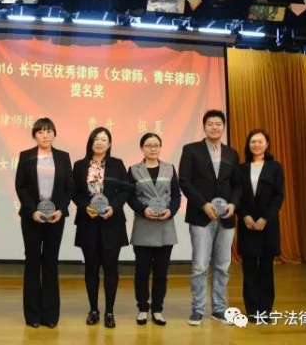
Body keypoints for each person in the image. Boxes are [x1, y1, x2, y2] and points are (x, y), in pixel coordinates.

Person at [179, 110, 241, 326]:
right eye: (210, 124)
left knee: (222, 265)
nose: (214, 127)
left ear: (223, 127)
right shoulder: (191, 150)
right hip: (200, 215)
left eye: (218, 124)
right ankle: (197, 310)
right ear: (204, 126)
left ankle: (218, 309)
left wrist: (233, 204)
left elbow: (237, 185)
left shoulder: (232, 153)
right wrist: (203, 204)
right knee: (200, 265)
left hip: (226, 218)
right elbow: (184, 181)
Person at [15, 117, 74, 328]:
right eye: (40, 131)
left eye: (49, 131)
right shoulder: (26, 156)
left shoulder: (63, 157)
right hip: (32, 218)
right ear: (35, 135)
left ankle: (50, 315)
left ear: (54, 134)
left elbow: (69, 187)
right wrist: (32, 210)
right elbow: (20, 186)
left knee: (50, 263)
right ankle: (32, 315)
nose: (45, 135)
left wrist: (61, 210)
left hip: (55, 218)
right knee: (32, 263)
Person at [72, 127, 130, 329]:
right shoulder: (79, 165)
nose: (99, 142)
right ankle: (93, 310)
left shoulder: (117, 164)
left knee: (111, 267)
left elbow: (126, 190)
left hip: (112, 222)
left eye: (104, 139)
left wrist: (114, 207)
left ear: (109, 144)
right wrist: (84, 207)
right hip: (88, 222)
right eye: (96, 138)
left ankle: (110, 312)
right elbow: (74, 192)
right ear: (90, 142)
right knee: (91, 267)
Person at [127, 133, 181, 326]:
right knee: (142, 272)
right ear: (142, 148)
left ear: (160, 147)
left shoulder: (169, 168)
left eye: (156, 145)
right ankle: (143, 308)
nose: (153, 148)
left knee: (161, 273)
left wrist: (171, 211)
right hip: (144, 224)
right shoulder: (134, 169)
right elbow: (130, 196)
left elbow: (176, 195)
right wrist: (143, 210)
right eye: (149, 145)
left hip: (165, 225)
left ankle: (157, 309)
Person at [237, 129, 285, 323]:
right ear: (248, 145)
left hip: (268, 225)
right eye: (253, 141)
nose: (256, 144)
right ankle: (252, 311)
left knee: (266, 270)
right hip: (247, 225)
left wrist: (265, 218)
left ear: (267, 144)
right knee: (249, 270)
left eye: (260, 141)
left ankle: (265, 311)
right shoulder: (241, 169)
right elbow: (236, 195)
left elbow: (278, 196)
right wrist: (245, 216)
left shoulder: (275, 167)